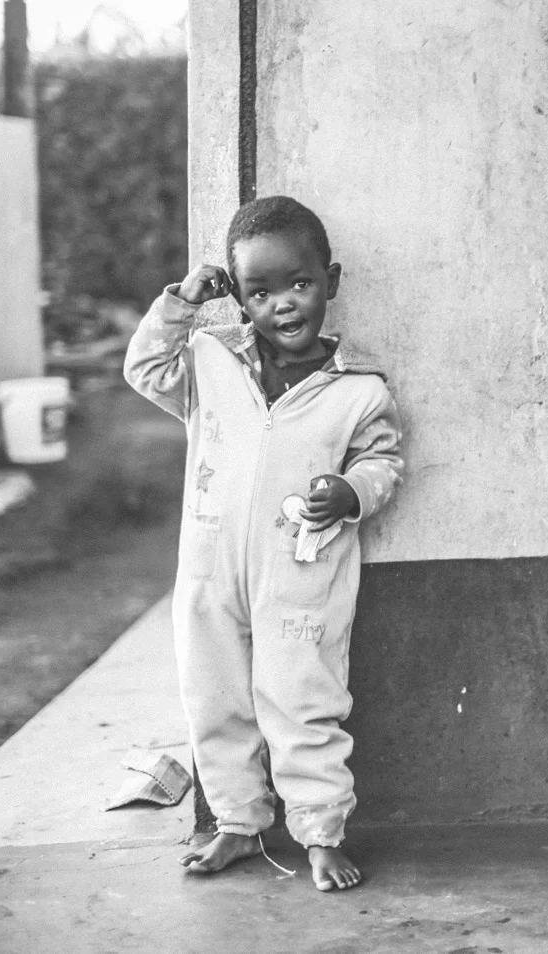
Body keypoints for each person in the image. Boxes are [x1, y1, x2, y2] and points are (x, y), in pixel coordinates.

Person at [124, 195, 404, 892]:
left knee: (303, 703)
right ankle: (238, 824)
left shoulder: (359, 391)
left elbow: (384, 461)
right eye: (259, 292)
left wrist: (352, 491)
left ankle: (321, 833)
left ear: (330, 282)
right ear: (240, 299)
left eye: (299, 283)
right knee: (215, 700)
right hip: (211, 573)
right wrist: (182, 304)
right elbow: (145, 369)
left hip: (302, 581)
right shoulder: (210, 364)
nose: (282, 304)